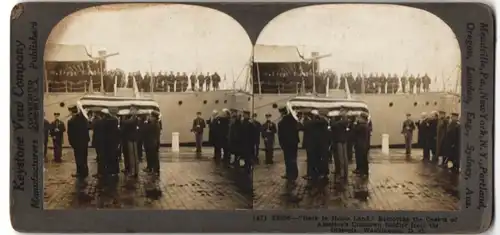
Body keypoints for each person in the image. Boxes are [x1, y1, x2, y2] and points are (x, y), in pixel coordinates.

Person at [277, 107, 299, 182]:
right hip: (294, 142)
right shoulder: (294, 120)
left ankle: (289, 174)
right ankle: (294, 174)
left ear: (282, 113)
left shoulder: (281, 122)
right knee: (293, 158)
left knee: (287, 159)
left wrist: (281, 144)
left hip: (286, 143)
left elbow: (280, 135)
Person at [67, 105, 90, 178]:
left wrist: (71, 143)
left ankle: (79, 172)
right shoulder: (84, 119)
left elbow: (70, 134)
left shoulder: (71, 121)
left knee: (78, 157)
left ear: (71, 111)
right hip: (84, 141)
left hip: (76, 143)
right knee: (84, 157)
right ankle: (85, 171)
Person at [330, 107, 349, 181]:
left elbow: (333, 125)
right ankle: (344, 173)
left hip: (339, 141)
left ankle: (342, 173)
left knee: (342, 158)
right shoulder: (345, 121)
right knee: (344, 157)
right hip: (343, 140)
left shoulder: (342, 121)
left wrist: (333, 118)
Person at [122, 107, 140, 177]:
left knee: (132, 156)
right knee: (135, 156)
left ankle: (133, 172)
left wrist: (123, 118)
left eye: (132, 110)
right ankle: (136, 171)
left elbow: (126, 123)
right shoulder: (136, 119)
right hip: (134, 138)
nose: (130, 111)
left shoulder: (133, 119)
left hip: (131, 139)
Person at [353, 112, 371, 177]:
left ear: (363, 118)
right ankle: (365, 171)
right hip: (365, 144)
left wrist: (355, 123)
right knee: (364, 159)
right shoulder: (366, 125)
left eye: (360, 118)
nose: (359, 119)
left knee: (361, 159)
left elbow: (354, 131)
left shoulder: (361, 126)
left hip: (360, 144)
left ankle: (362, 172)